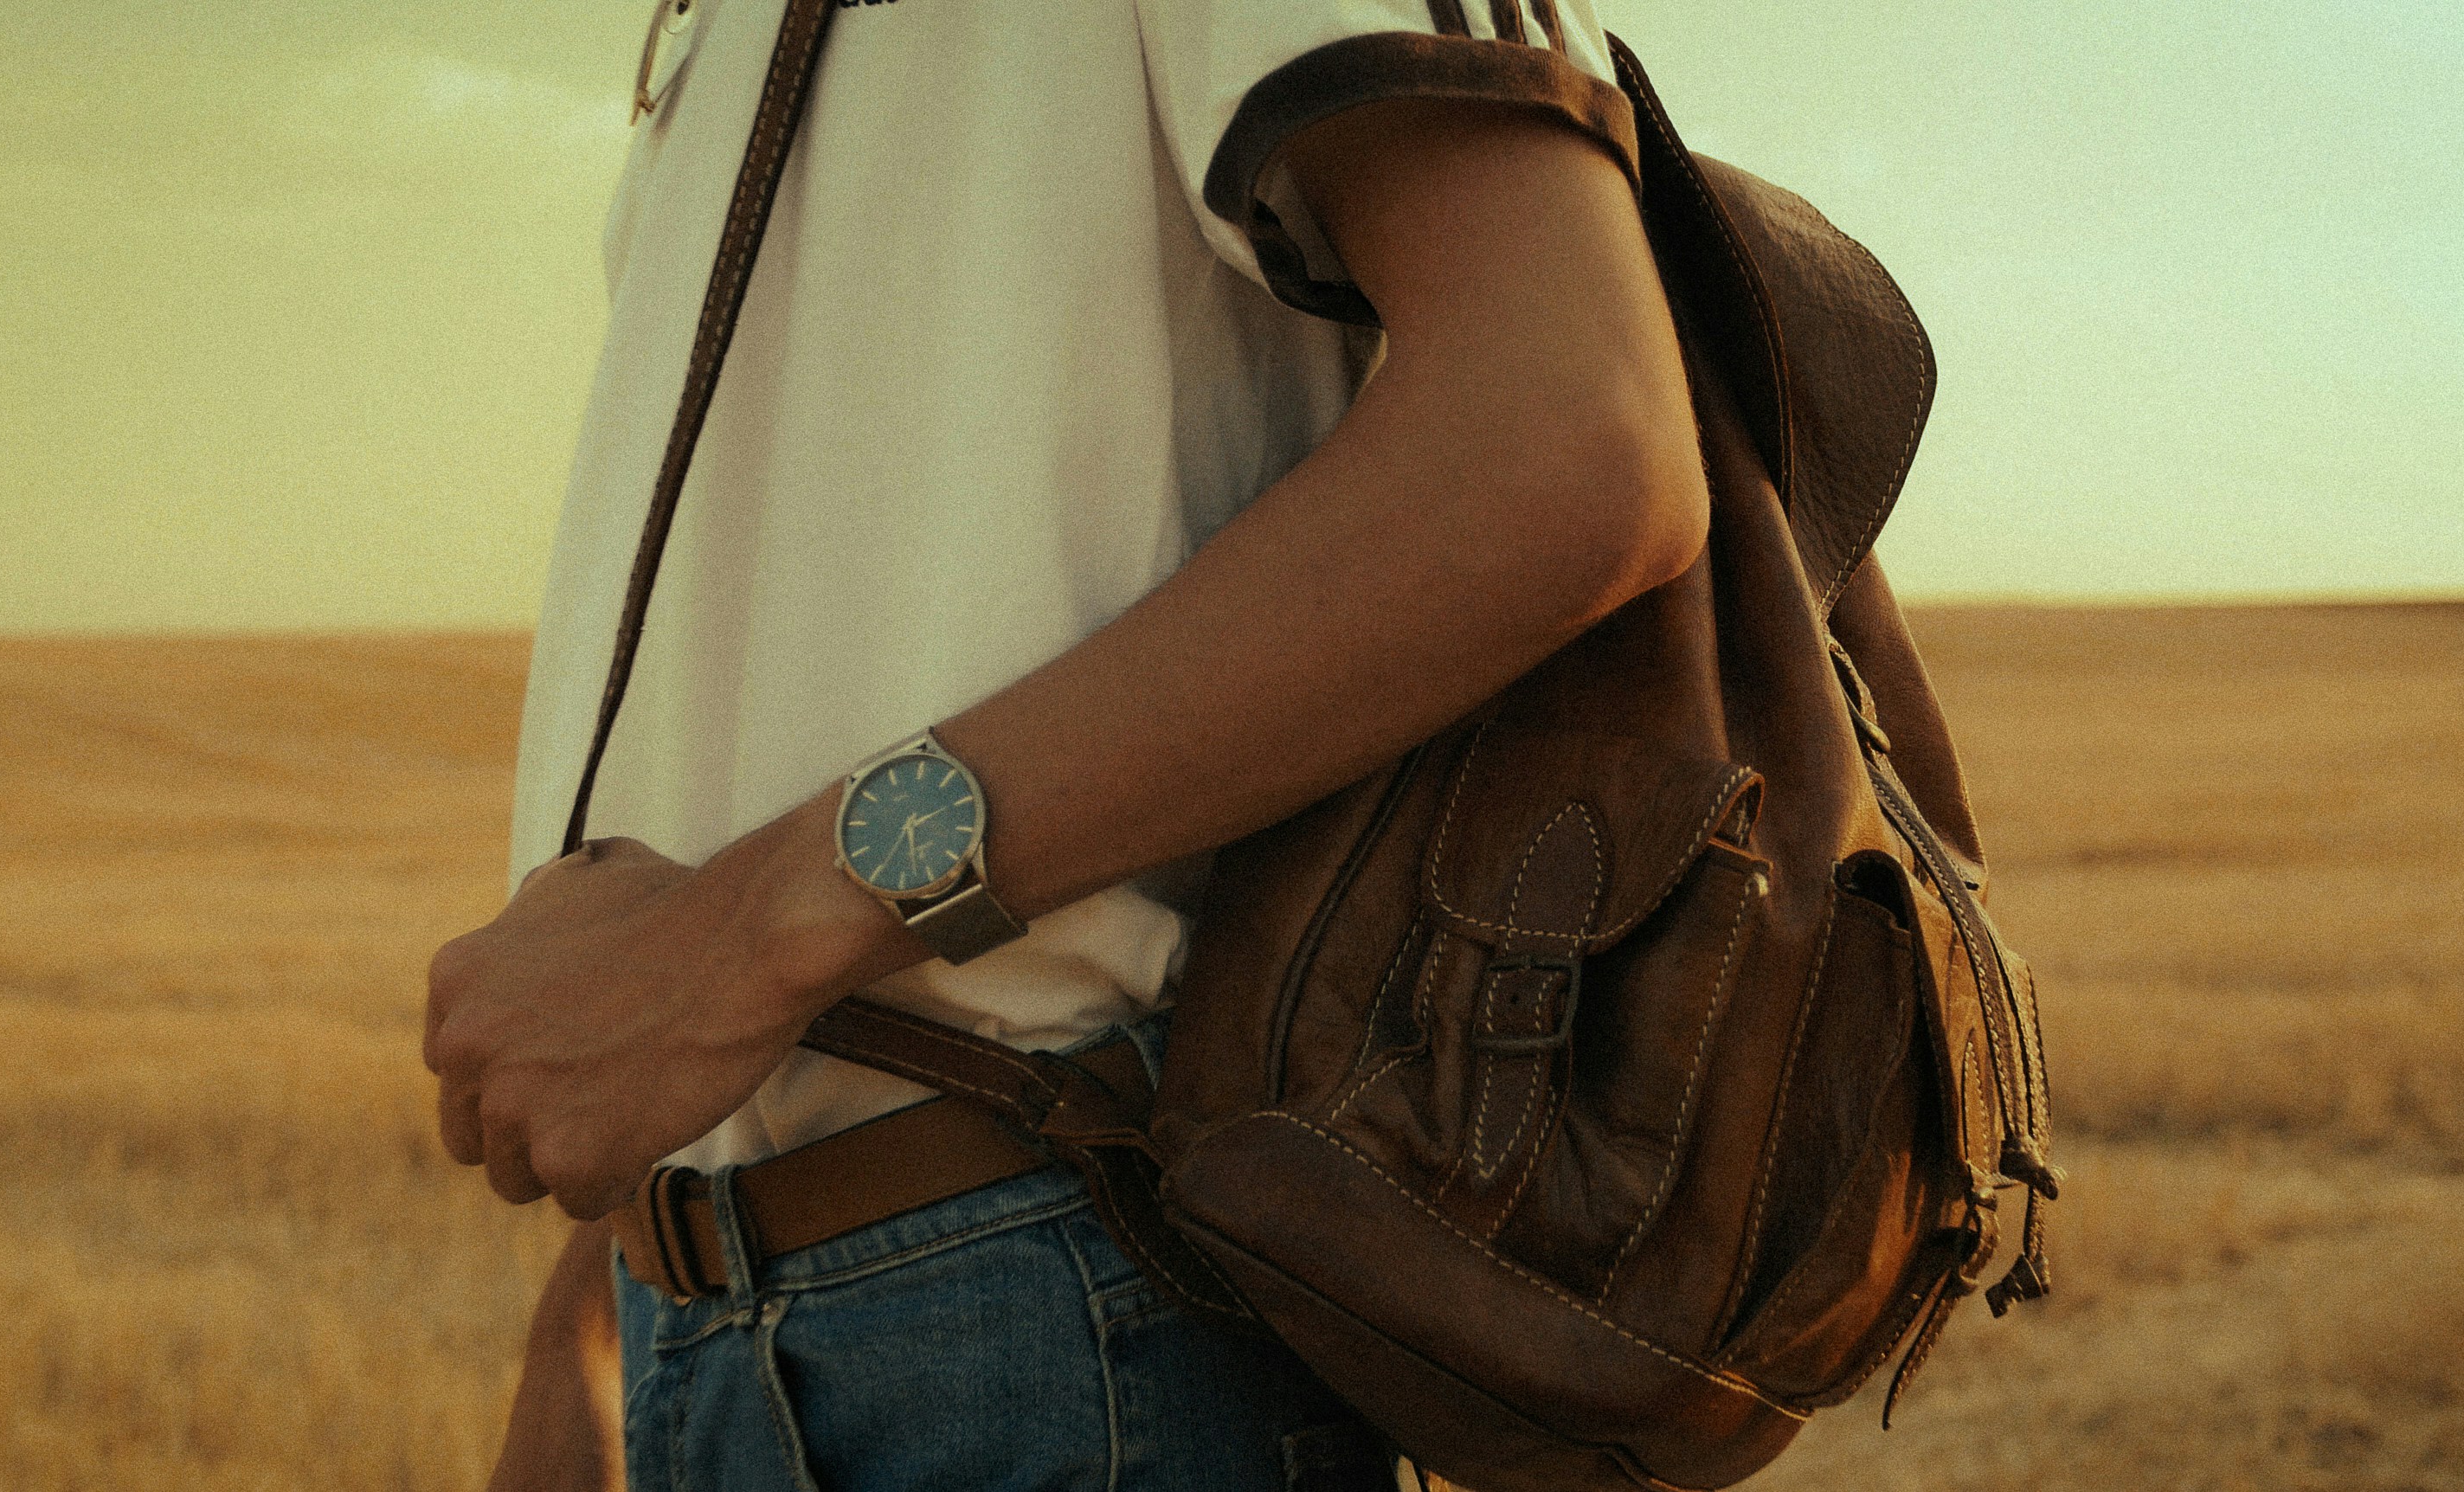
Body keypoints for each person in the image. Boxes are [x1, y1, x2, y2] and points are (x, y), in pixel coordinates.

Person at [421, 1, 1706, 1486]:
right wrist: (612, 1295)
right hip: (708, 1322)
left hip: (1064, 1292)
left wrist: (743, 941)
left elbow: (1570, 435)